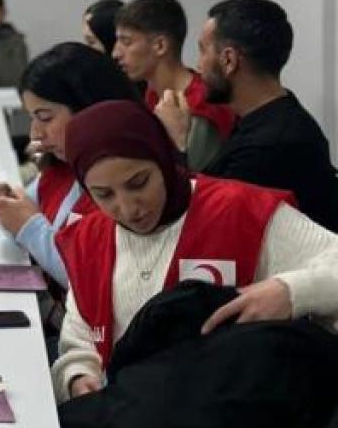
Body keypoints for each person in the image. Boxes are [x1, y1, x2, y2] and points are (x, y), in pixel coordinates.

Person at [51, 100, 338, 403]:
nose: (128, 208)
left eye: (139, 183)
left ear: (162, 157)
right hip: (131, 409)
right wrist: (79, 378)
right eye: (104, 195)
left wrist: (290, 292)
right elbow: (80, 338)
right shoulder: (89, 239)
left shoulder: (240, 211)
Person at [161, 0, 338, 232]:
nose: (199, 65)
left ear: (229, 60)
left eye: (203, 51)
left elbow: (206, 222)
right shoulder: (266, 119)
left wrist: (177, 143)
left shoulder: (271, 145)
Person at [0, 43, 140, 288]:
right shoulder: (62, 167)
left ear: (88, 110)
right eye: (33, 119)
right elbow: (24, 220)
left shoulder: (122, 180)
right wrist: (5, 206)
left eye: (45, 118)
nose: (35, 133)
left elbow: (88, 278)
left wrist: (26, 224)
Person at [111, 0, 235, 171]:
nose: (116, 53)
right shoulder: (153, 92)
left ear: (160, 45)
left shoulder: (202, 104)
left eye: (126, 42)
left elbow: (195, 182)